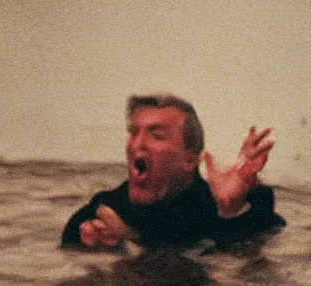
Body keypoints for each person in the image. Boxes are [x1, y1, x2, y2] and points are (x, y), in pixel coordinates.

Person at [61, 94, 285, 250]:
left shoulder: (210, 207)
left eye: (156, 136)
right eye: (133, 133)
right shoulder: (105, 209)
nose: (137, 145)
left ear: (190, 158)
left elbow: (213, 255)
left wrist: (230, 210)